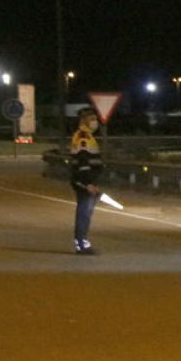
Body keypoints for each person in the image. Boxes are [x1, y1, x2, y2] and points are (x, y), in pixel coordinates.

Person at [70, 107, 104, 255]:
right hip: (84, 182)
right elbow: (83, 162)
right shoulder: (83, 137)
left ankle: (82, 242)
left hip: (87, 181)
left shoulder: (87, 136)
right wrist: (88, 183)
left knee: (85, 212)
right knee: (84, 212)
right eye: (92, 119)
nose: (95, 122)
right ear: (84, 121)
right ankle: (82, 244)